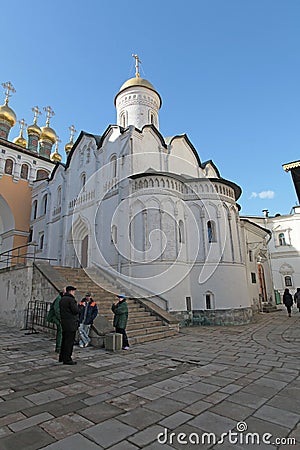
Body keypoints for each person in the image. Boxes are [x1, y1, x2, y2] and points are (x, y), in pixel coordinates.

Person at [59, 286, 79, 365]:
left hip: (64, 323)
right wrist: (80, 307)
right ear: (70, 291)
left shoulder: (62, 299)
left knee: (64, 341)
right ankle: (67, 359)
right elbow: (75, 311)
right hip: (71, 324)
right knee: (69, 342)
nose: (74, 293)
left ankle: (62, 357)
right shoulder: (71, 300)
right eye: (73, 291)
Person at [46, 287, 66, 354]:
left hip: (59, 317)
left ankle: (60, 346)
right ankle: (58, 347)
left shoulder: (62, 298)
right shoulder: (59, 299)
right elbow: (57, 310)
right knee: (60, 330)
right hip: (55, 317)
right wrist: (61, 318)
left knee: (61, 331)